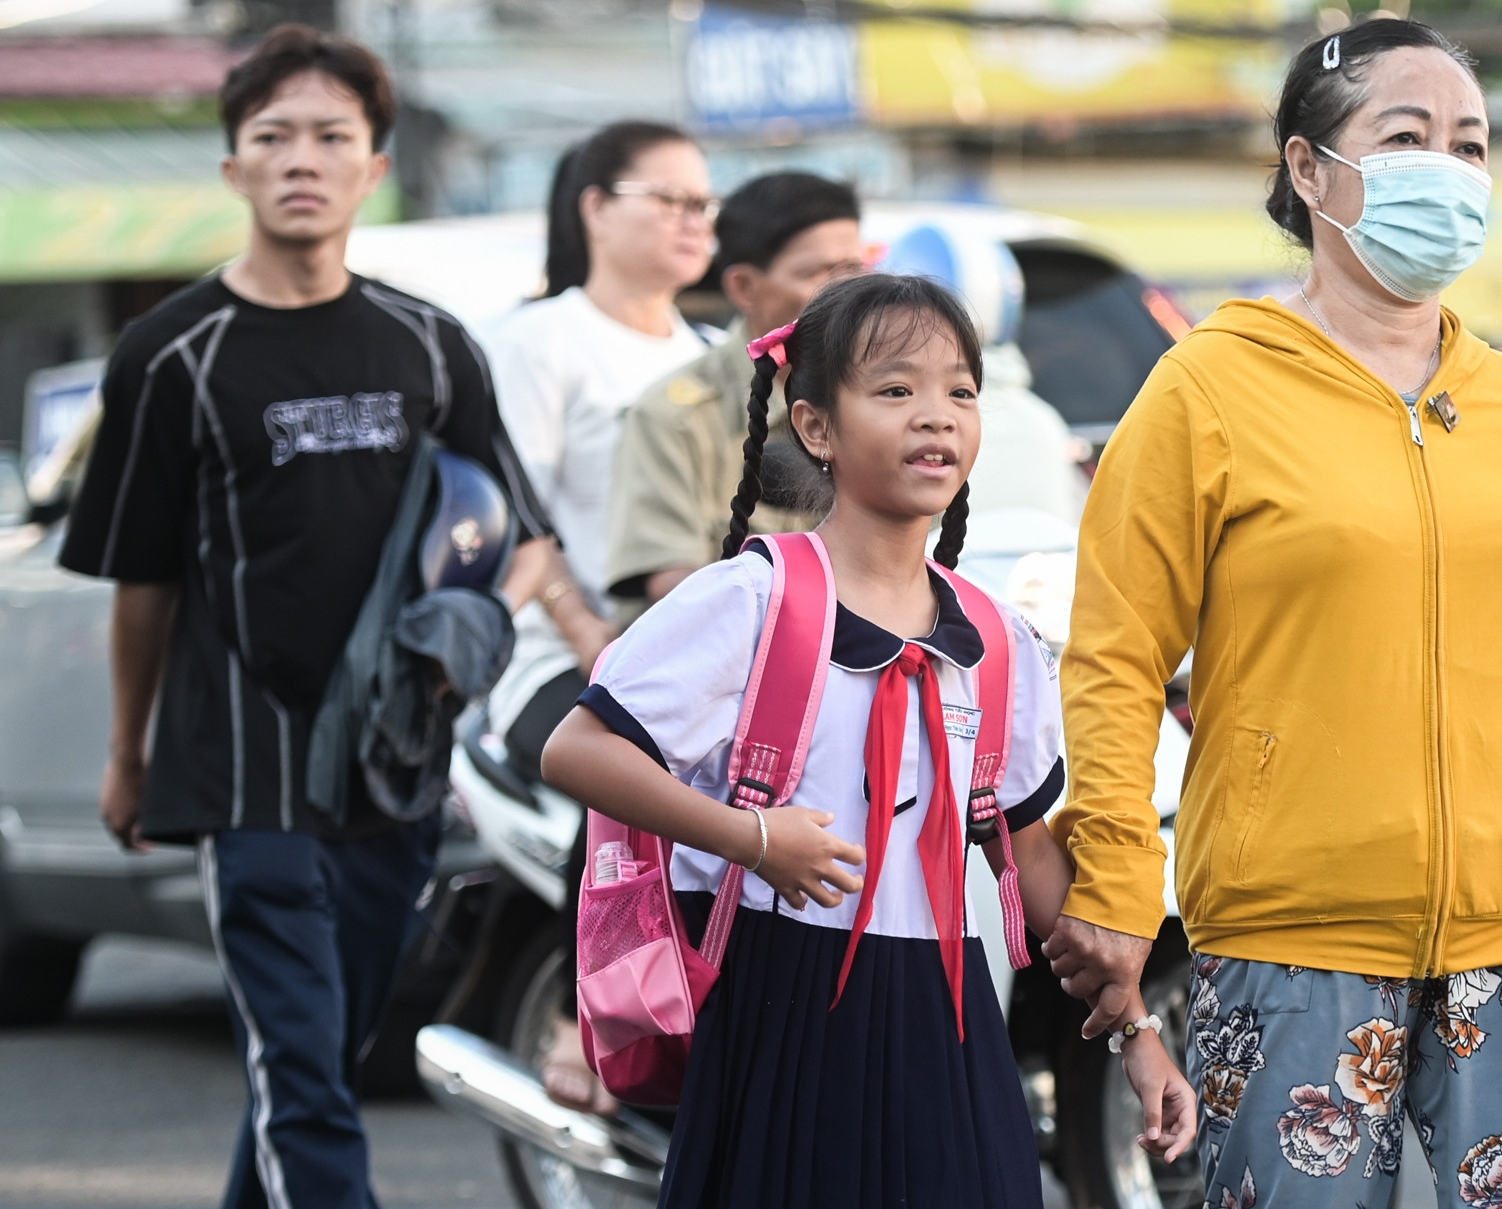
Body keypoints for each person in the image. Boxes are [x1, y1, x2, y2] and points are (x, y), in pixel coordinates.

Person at [1041, 18, 1502, 1209]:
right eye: (1405, 136)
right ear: (1307, 168)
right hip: (1291, 944)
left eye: (1469, 144)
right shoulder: (1205, 388)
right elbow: (1114, 657)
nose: (1448, 168)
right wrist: (1117, 883)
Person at [541, 274, 1196, 1208]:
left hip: (947, 1012)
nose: (935, 415)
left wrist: (1136, 1033)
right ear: (815, 426)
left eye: (959, 391)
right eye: (895, 389)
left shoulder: (997, 639)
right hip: (781, 1002)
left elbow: (1023, 854)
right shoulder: (752, 598)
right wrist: (752, 839)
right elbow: (578, 748)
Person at [57, 25, 554, 1209]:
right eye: (273, 136)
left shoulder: (430, 343)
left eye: (331, 136)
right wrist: (128, 753)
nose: (301, 158)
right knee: (302, 1072)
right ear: (233, 166)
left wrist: (465, 628)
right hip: (243, 766)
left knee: (314, 1061)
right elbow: (143, 581)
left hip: (395, 761)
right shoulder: (168, 355)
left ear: (372, 167)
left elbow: (524, 541)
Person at [480, 121, 718, 1113]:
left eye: (703, 204)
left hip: (696, 661)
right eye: (667, 199)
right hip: (555, 658)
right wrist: (592, 640)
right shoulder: (541, 340)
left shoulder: (714, 355)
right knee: (627, 762)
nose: (692, 220)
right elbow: (514, 522)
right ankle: (586, 1013)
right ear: (593, 207)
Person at [601, 169, 862, 609]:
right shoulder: (673, 416)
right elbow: (669, 579)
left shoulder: (875, 400)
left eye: (853, 270)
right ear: (744, 287)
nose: (843, 292)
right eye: (816, 273)